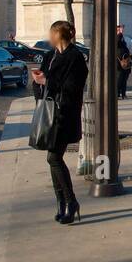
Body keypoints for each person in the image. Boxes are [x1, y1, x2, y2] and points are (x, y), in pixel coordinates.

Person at [31, 20, 88, 225]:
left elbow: (74, 87)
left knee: (54, 158)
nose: (49, 37)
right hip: (49, 114)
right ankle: (62, 202)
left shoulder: (76, 57)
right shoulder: (50, 55)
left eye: (51, 33)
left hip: (65, 114)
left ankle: (70, 202)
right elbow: (42, 85)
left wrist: (47, 81)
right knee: (52, 158)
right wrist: (38, 82)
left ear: (58, 35)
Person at [115, 24, 132, 99]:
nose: (121, 30)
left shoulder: (126, 39)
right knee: (119, 79)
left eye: (121, 29)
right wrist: (119, 34)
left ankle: (123, 94)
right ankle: (117, 93)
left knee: (124, 79)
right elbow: (117, 42)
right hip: (118, 64)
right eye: (119, 29)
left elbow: (131, 50)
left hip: (126, 63)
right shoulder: (116, 38)